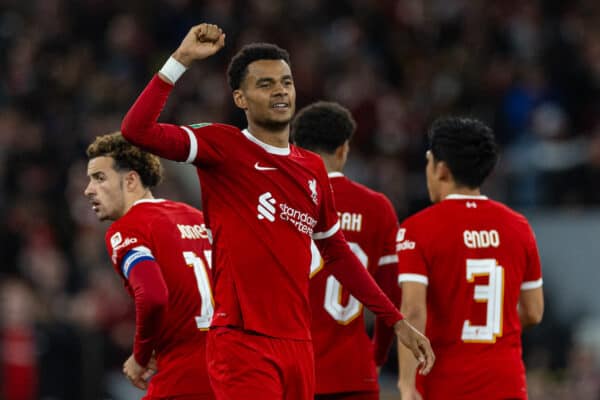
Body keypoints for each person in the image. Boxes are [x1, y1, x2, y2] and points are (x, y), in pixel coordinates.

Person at [120, 23, 434, 400]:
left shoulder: (312, 168)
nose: (280, 90)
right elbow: (137, 130)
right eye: (265, 84)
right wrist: (180, 61)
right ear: (240, 98)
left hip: (300, 344)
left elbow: (337, 252)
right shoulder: (223, 146)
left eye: (285, 81)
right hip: (242, 340)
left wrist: (395, 321)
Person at [396, 117, 544, 400]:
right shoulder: (519, 226)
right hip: (507, 384)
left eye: (428, 161)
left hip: (447, 384)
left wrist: (406, 383)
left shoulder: (417, 228)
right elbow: (534, 311)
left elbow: (413, 312)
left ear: (441, 168)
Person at [84, 132, 214, 400]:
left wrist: (140, 356)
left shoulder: (127, 228)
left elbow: (153, 296)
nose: (88, 189)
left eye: (99, 178)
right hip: (233, 375)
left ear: (131, 180)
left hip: (183, 381)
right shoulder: (198, 218)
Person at [292, 101, 400, 400]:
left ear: (296, 148)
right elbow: (392, 293)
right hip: (353, 373)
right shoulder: (377, 208)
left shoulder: (277, 203)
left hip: (292, 372)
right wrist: (376, 358)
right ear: (343, 150)